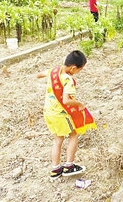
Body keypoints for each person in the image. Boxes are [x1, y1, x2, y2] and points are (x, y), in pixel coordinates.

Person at [36, 50, 97, 180]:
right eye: (79, 70)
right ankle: (69, 166)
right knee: (73, 134)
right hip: (60, 114)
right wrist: (80, 104)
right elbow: (66, 101)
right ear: (73, 68)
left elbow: (39, 75)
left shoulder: (54, 71)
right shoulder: (67, 80)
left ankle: (55, 169)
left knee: (58, 140)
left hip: (48, 112)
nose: (78, 72)